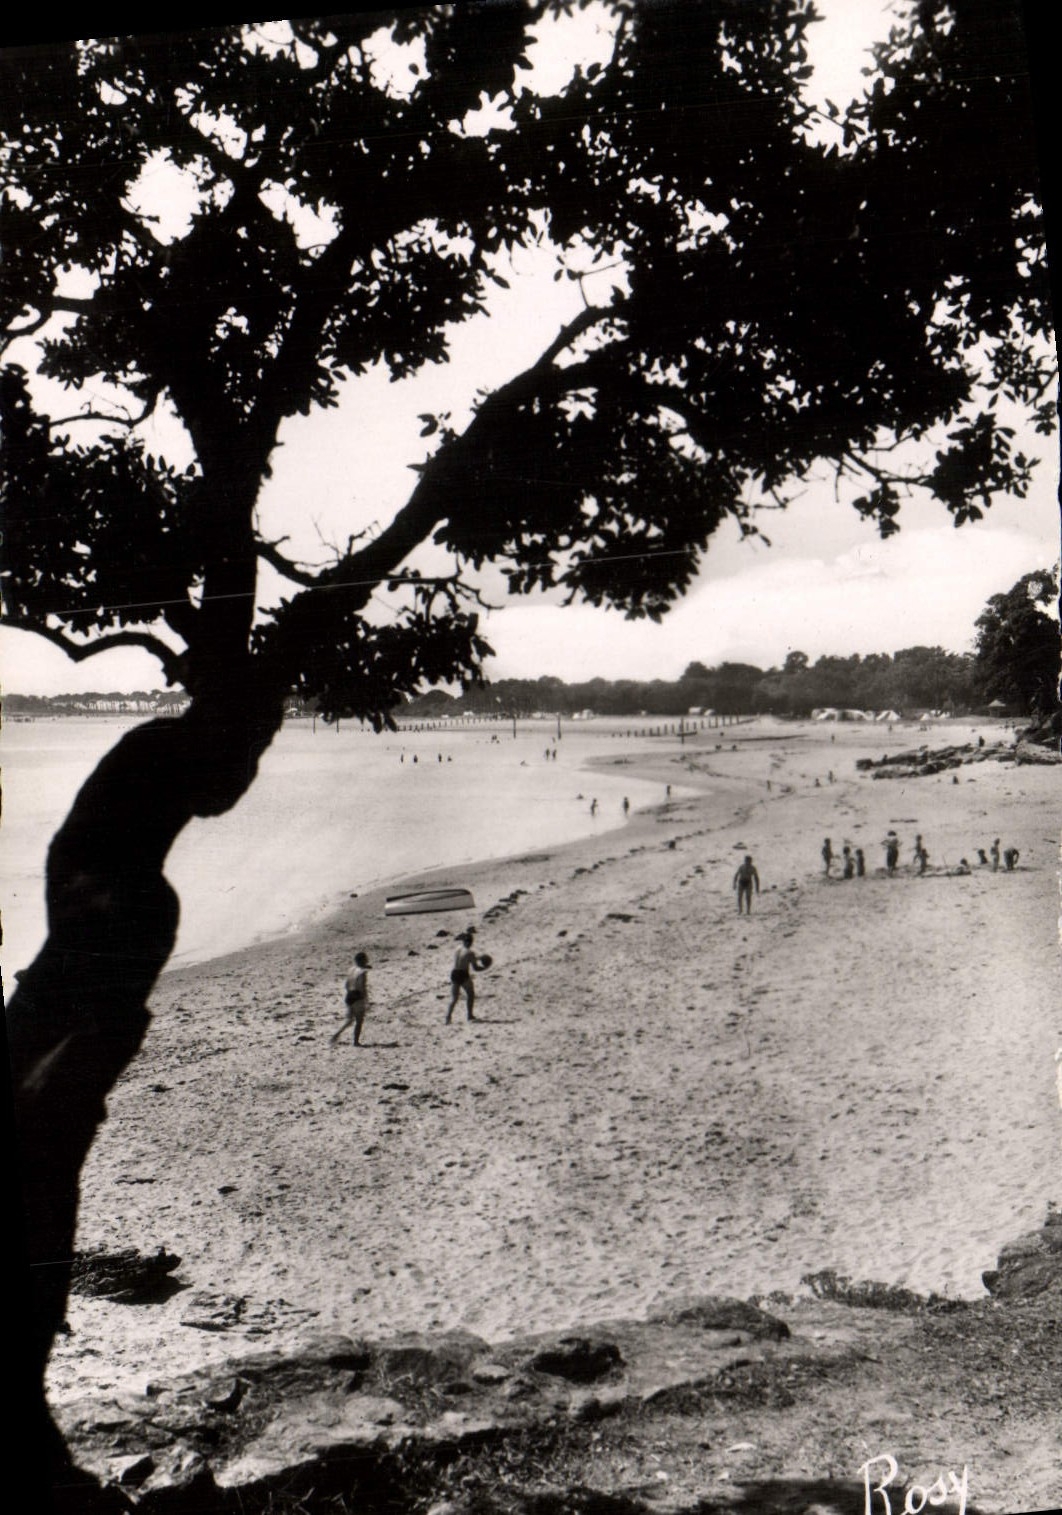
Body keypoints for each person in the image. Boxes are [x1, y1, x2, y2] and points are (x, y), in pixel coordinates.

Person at [332, 951, 371, 1046]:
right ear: (363, 960)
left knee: (349, 1020)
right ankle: (356, 1042)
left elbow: (346, 984)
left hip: (349, 995)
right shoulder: (362, 973)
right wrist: (366, 1000)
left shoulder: (351, 970)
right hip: (358, 996)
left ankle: (337, 1034)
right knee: (359, 1021)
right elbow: (362, 987)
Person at [445, 933, 479, 1023]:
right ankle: (470, 1015)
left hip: (454, 973)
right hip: (463, 974)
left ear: (463, 941)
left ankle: (448, 1017)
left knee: (454, 998)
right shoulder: (470, 953)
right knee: (470, 994)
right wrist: (484, 967)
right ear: (471, 942)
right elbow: (476, 968)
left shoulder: (458, 949)